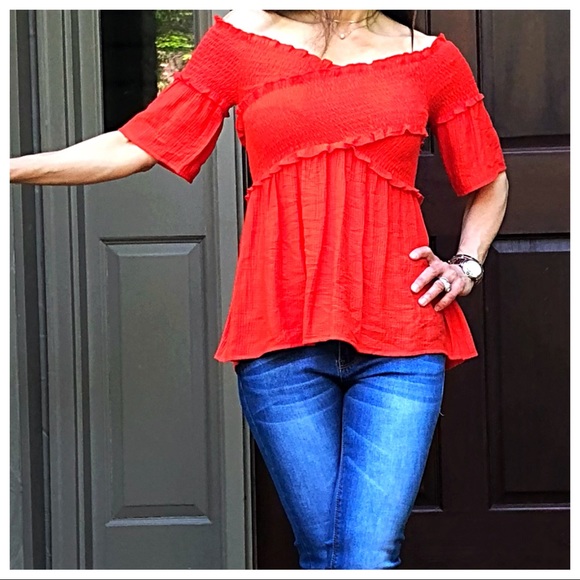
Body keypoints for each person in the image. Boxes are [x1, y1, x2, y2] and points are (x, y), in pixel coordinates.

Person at [10, 9, 509, 570]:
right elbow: (137, 143)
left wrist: (467, 264)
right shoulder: (243, 39)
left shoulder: (430, 59)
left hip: (402, 338)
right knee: (324, 552)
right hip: (279, 337)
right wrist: (12, 168)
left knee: (368, 553)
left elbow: (489, 180)